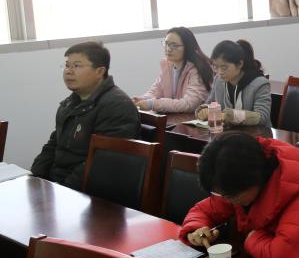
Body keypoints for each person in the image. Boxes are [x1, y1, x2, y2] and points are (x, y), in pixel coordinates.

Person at [31, 41, 140, 190]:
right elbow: (53, 144)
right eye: (67, 65)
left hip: (89, 191)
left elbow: (101, 162)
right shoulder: (70, 103)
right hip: (59, 185)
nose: (68, 71)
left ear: (100, 72)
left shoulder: (117, 106)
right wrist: (34, 178)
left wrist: (63, 190)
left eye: (77, 66)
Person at [133, 26, 213, 114]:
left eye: (174, 45)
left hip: (196, 118)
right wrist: (142, 99)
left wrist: (152, 104)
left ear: (187, 47)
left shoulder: (197, 70)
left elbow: (189, 104)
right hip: (177, 117)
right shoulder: (168, 66)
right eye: (166, 44)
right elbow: (157, 90)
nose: (168, 49)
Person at [196, 40, 272, 128]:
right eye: (215, 67)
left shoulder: (260, 84)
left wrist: (227, 116)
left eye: (224, 67)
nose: (219, 72)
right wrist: (205, 110)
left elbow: (262, 117)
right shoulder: (219, 81)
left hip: (256, 134)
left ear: (239, 64)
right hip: (227, 132)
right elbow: (210, 103)